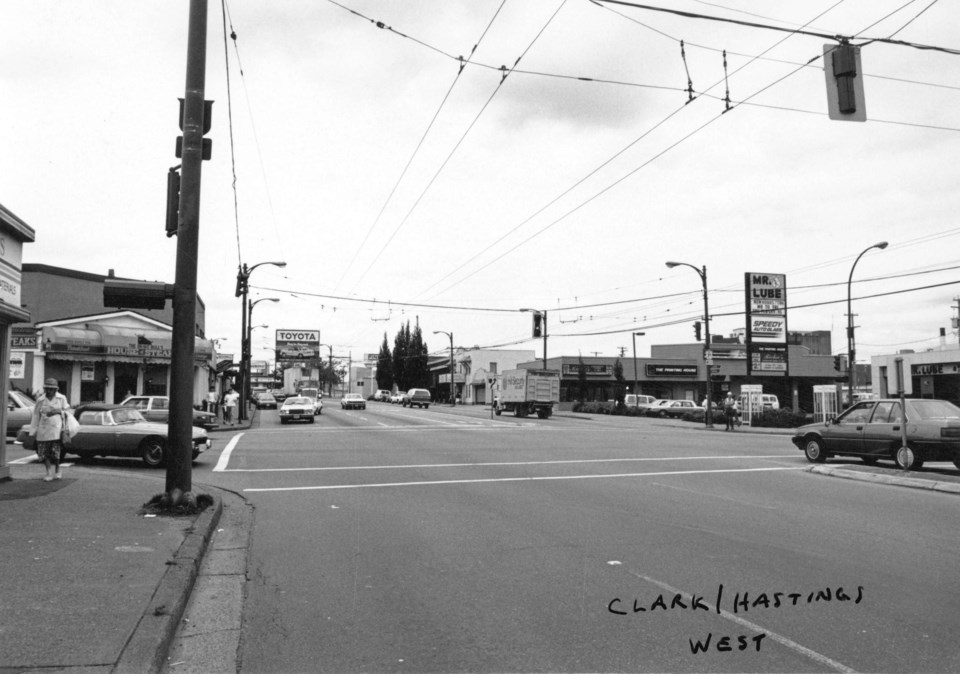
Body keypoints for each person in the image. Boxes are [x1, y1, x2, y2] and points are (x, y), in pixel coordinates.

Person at [29, 378, 71, 481]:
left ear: (56, 390)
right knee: (44, 453)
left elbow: (67, 412)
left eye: (51, 389)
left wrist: (57, 411)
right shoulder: (40, 400)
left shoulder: (61, 398)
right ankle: (48, 472)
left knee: (56, 453)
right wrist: (33, 430)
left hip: (56, 429)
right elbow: (35, 415)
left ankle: (57, 470)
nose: (49, 391)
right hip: (43, 429)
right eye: (47, 389)